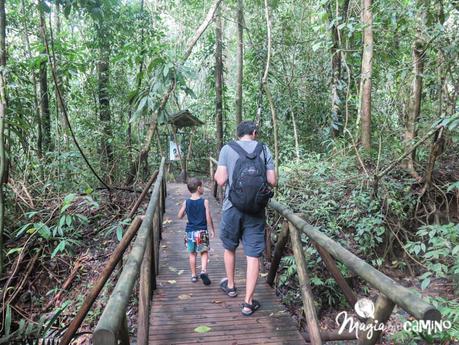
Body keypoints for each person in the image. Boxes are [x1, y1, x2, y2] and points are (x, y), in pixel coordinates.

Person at [214, 121, 277, 316]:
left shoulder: (227, 149)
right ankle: (248, 303)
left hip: (231, 207)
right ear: (254, 133)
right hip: (256, 210)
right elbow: (272, 181)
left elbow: (221, 180)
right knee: (252, 255)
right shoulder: (264, 149)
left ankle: (231, 286)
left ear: (238, 134)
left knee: (230, 247)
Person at [178, 178, 216, 285]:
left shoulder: (186, 202)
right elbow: (208, 217)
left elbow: (179, 216)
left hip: (190, 232)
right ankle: (203, 271)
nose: (203, 188)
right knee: (203, 252)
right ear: (199, 188)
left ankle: (194, 276)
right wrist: (212, 229)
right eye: (202, 186)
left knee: (192, 254)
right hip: (202, 231)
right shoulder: (205, 201)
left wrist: (186, 210)